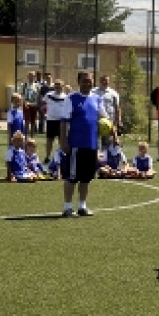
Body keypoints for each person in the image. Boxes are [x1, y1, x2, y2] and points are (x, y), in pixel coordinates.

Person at [59, 72, 107, 216]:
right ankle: (67, 207)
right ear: (79, 82)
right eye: (85, 81)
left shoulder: (97, 99)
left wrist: (111, 132)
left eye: (90, 81)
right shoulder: (71, 99)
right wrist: (63, 142)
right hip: (75, 145)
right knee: (72, 177)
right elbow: (63, 123)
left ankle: (82, 206)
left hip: (91, 145)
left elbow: (104, 120)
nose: (88, 83)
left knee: (86, 178)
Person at [43, 79, 68, 162]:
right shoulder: (48, 95)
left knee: (61, 140)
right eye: (56, 85)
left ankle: (61, 156)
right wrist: (44, 113)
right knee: (49, 139)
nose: (58, 87)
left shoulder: (66, 97)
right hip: (51, 120)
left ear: (62, 86)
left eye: (59, 85)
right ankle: (47, 157)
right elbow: (43, 104)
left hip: (62, 121)